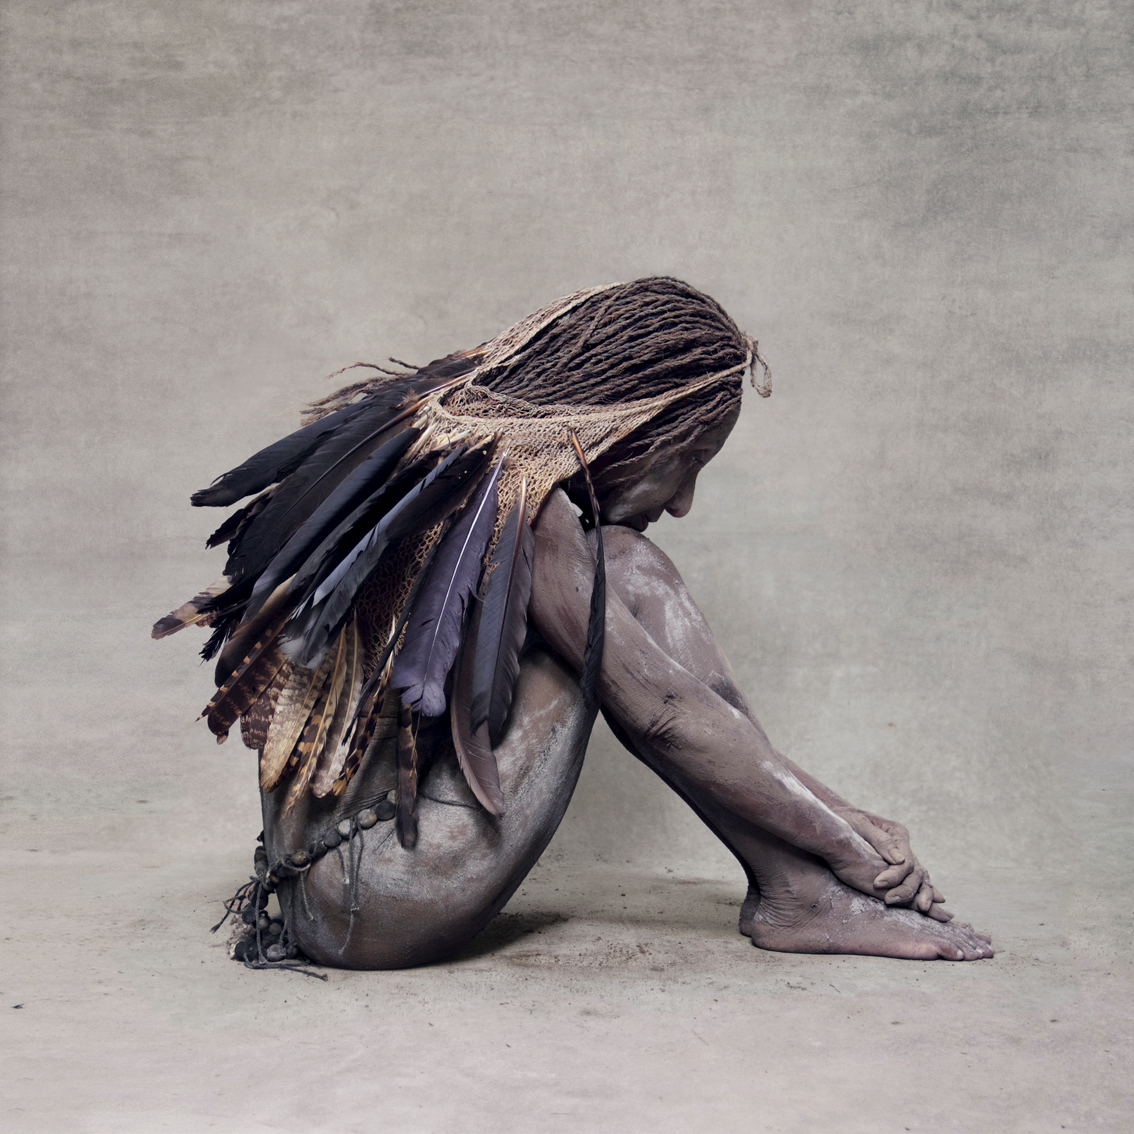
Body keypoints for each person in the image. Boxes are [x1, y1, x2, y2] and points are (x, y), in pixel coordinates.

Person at [156, 278, 993, 970]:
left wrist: (844, 825)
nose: (682, 500)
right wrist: (853, 840)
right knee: (623, 579)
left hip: (330, 887)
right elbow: (665, 713)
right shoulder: (534, 512)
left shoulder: (461, 450)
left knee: (625, 562)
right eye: (688, 463)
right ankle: (803, 888)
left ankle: (795, 891)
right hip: (375, 894)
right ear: (636, 428)